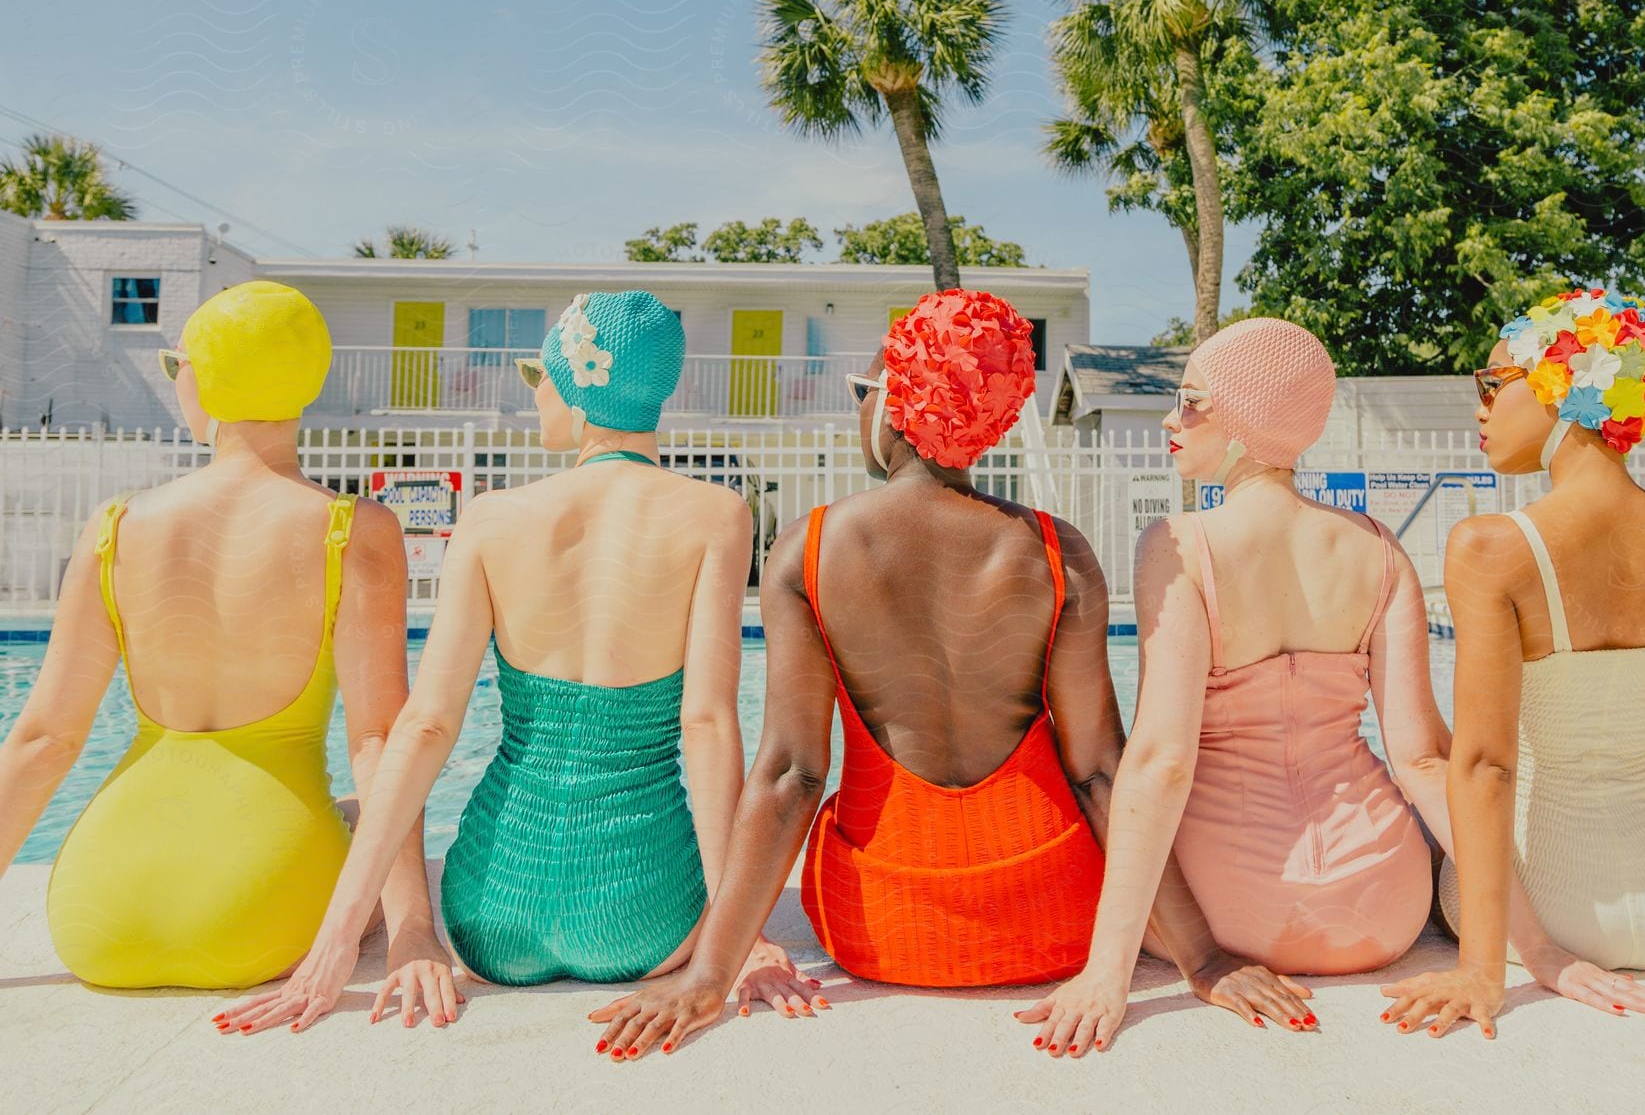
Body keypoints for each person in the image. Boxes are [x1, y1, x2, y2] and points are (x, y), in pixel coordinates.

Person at [1021, 316, 1645, 1058]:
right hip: (1382, 907)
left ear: (1246, 418)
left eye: (1195, 401)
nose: (1175, 419)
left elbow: (1160, 763)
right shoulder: (1376, 548)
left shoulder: (1182, 548)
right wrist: (1543, 951)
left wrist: (1106, 973)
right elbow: (1425, 762)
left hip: (1232, 906)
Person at [591, 289, 1218, 1061]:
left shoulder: (811, 550)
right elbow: (1102, 772)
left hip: (877, 925)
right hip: (1053, 915)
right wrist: (1205, 959)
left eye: (866, 391)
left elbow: (790, 775)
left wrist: (709, 974)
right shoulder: (1056, 553)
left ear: (895, 403)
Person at [217, 289, 783, 1035]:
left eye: (540, 377)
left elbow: (425, 728)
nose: (536, 395)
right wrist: (738, 942)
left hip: (493, 916)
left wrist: (336, 944)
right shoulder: (717, 515)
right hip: (647, 915)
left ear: (581, 391)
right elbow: (708, 725)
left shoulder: (493, 518)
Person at [0, 280, 438, 998]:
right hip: (260, 911)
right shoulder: (350, 531)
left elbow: (45, 740)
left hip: (99, 914)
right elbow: (380, 743)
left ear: (202, 378)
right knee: (360, 816)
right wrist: (412, 929)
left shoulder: (114, 527)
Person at [1384, 286, 1645, 1039]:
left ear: (1558, 388)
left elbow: (1484, 766)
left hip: (1545, 909)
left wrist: (1483, 970)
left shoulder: (1492, 548)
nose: (1475, 406)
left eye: (1490, 382)